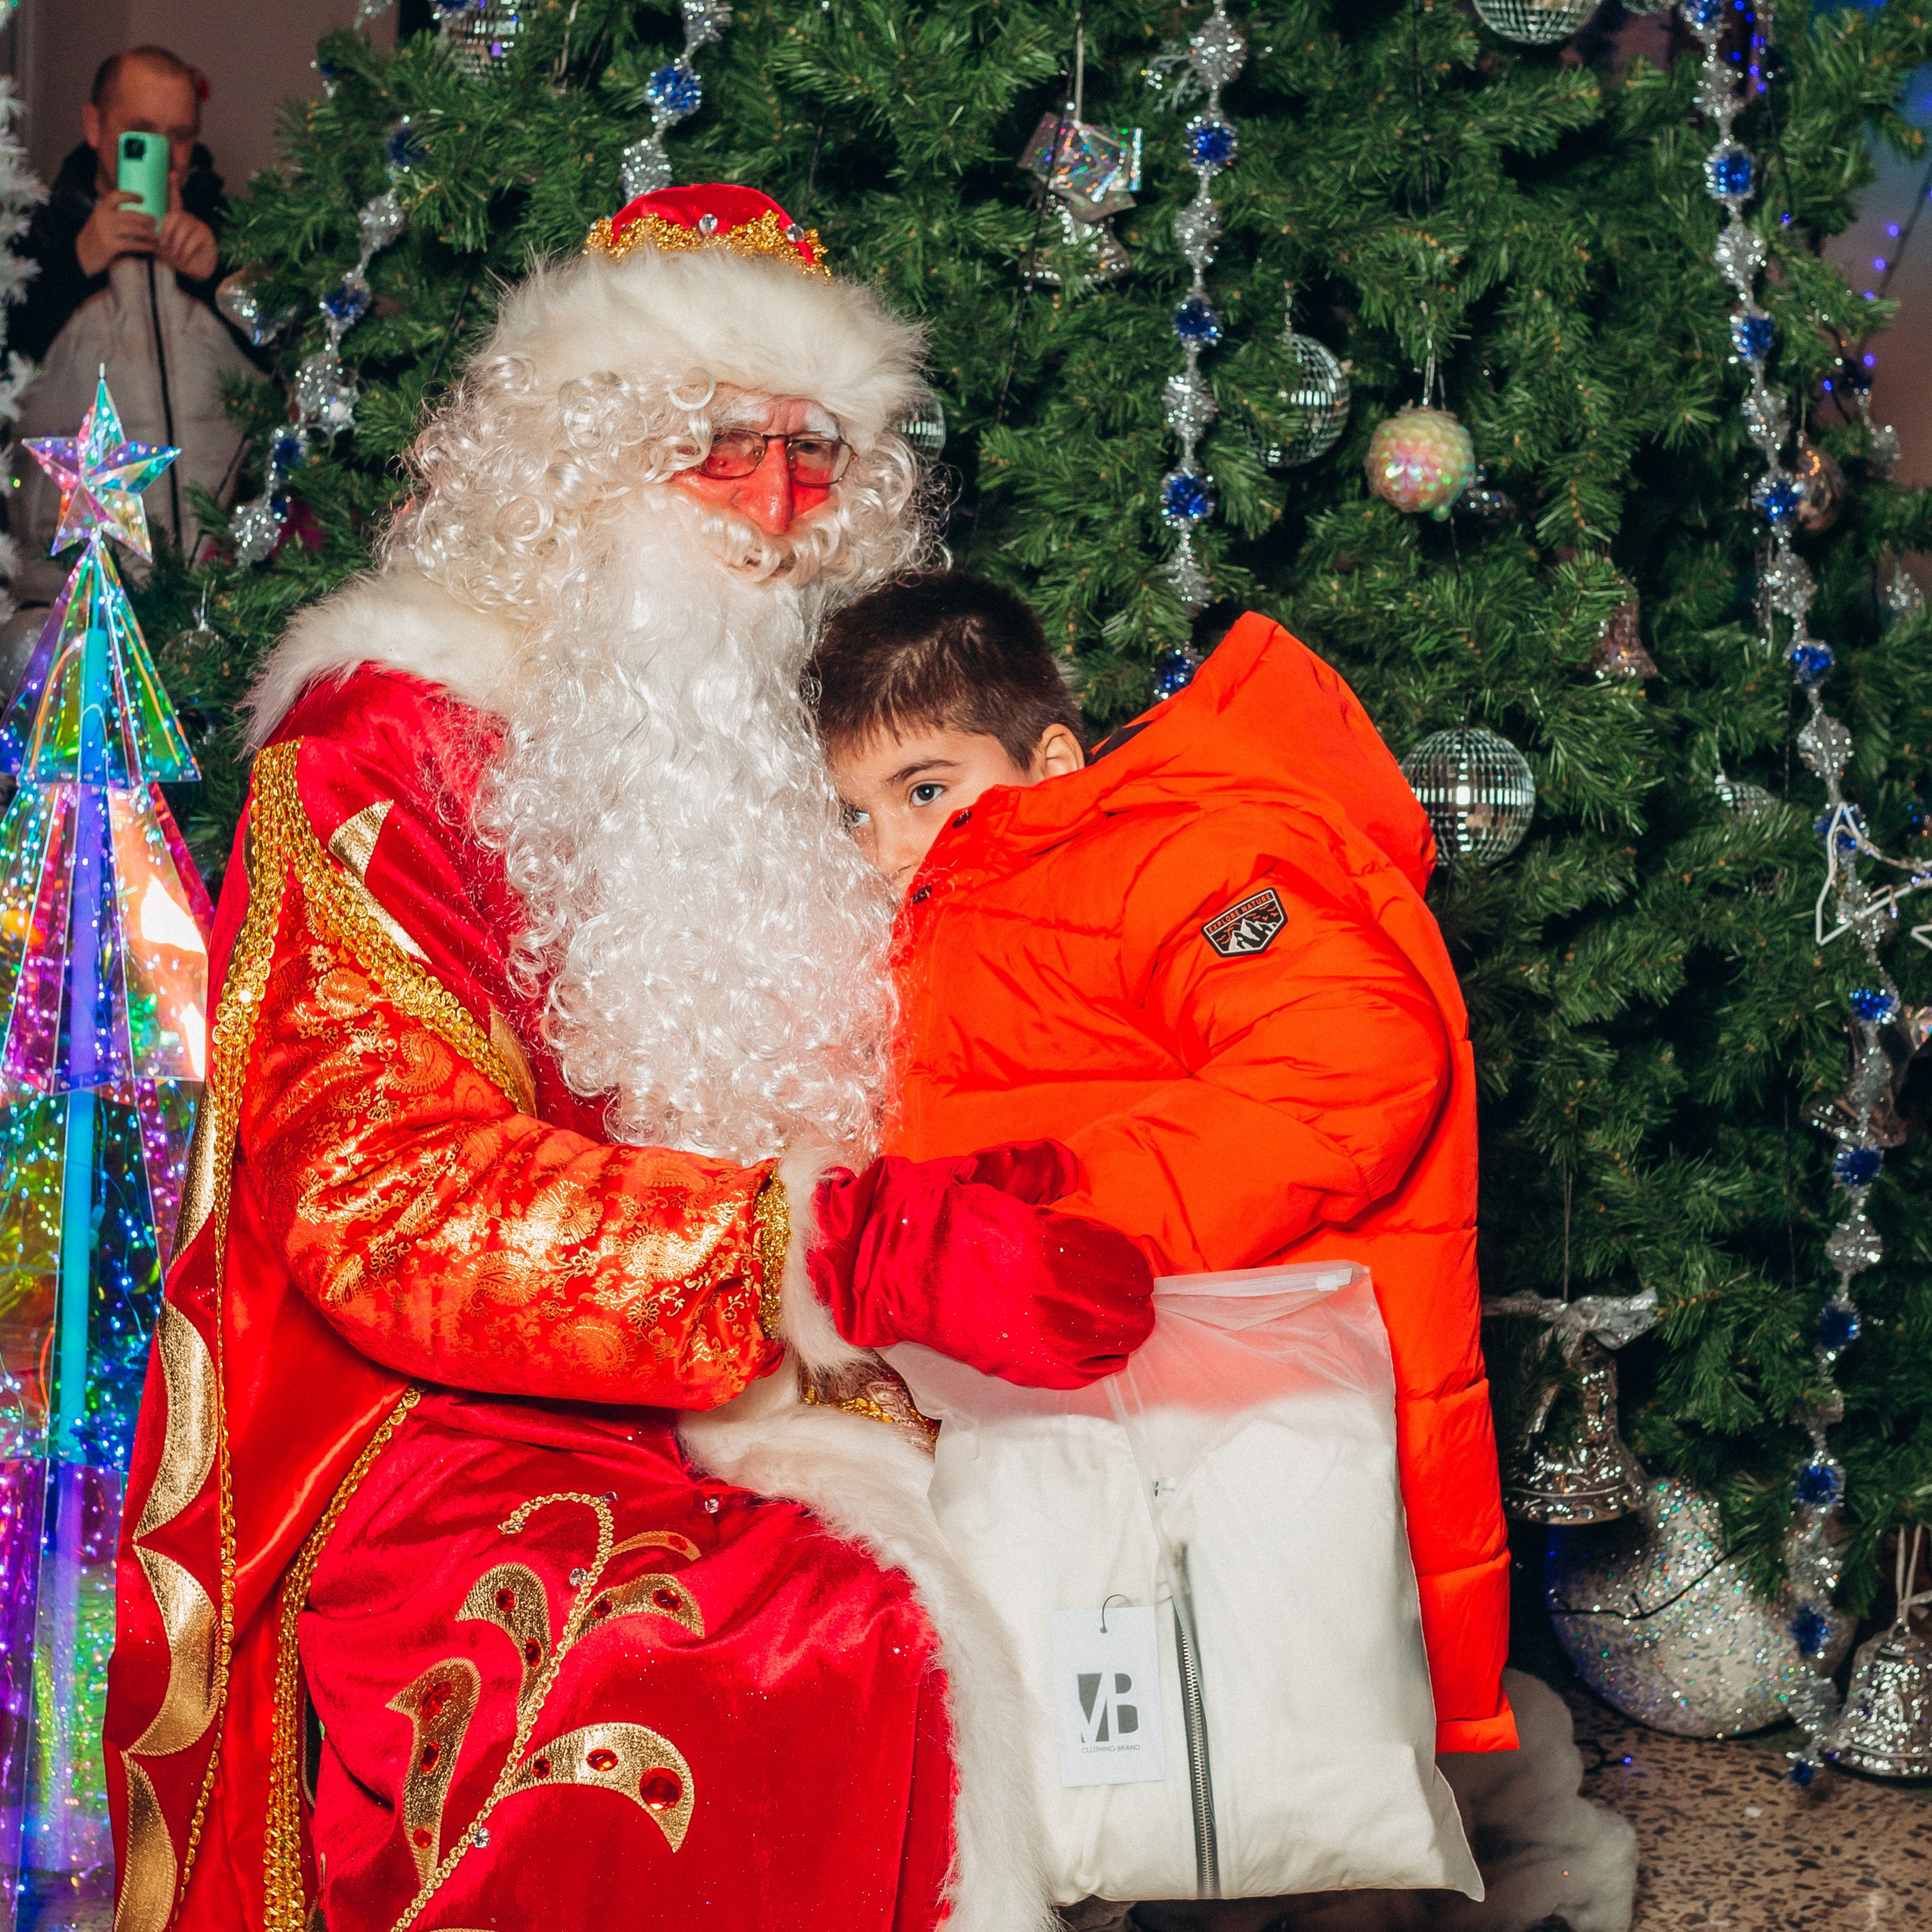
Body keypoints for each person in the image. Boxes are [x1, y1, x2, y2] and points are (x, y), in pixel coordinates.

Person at [103, 186, 1155, 1932]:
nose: (775, 514)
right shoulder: (376, 749)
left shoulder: (820, 739)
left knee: (1098, 1548)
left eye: (816, 462)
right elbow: (381, 1196)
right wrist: (825, 1244)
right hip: (449, 1423)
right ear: (575, 462)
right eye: (713, 451)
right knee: (767, 1654)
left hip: (818, 1369)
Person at [811, 569, 1517, 1758]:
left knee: (1253, 1748)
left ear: (1048, 764)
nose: (889, 845)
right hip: (1065, 1420)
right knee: (1113, 1738)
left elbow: (1354, 1057)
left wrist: (1071, 1214)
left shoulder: (1163, 859)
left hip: (1213, 1421)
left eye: (926, 789)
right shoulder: (950, 910)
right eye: (855, 814)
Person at [11, 47, 251, 598]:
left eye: (181, 136)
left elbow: (294, 360)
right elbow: (11, 365)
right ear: (94, 126)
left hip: (217, 596)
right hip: (68, 596)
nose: (164, 159)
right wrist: (73, 267)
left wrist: (215, 277)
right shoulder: (34, 242)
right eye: (141, 133)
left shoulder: (235, 235)